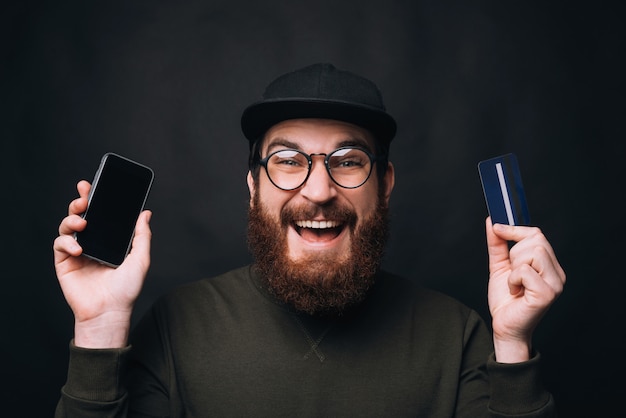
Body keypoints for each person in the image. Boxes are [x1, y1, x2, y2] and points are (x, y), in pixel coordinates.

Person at [54, 63, 566, 417]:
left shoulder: (460, 337)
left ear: (384, 185)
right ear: (253, 187)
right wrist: (100, 327)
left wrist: (513, 344)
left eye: (347, 162)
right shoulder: (174, 327)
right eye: (288, 161)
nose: (318, 191)